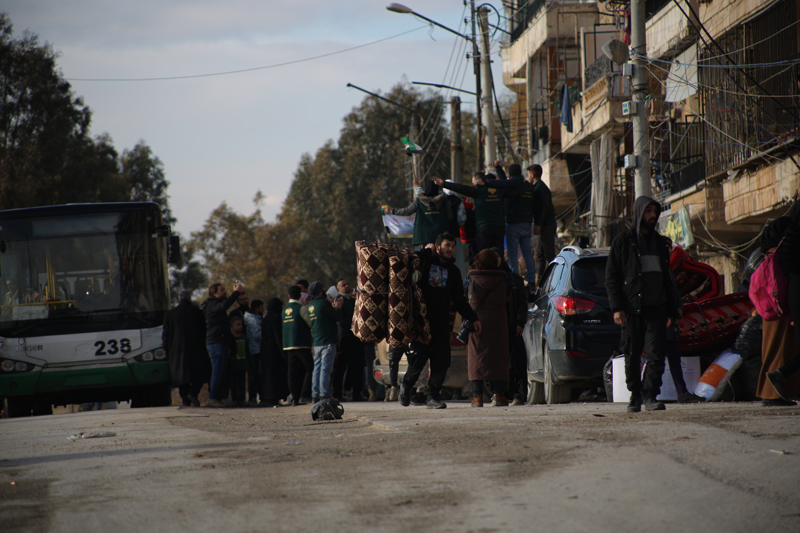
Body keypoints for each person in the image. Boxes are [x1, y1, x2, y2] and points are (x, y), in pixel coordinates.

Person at [605, 196, 678, 413]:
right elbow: (611, 278)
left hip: (657, 308)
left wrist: (671, 309)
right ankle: (635, 395)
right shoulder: (622, 242)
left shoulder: (661, 243)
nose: (653, 215)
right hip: (631, 309)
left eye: (655, 211)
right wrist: (617, 308)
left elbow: (667, 279)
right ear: (639, 213)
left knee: (657, 354)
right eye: (648, 211)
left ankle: (650, 395)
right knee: (632, 353)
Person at [399, 232, 481, 409]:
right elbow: (410, 262)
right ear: (437, 247)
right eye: (447, 245)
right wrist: (426, 251)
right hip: (422, 322)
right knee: (419, 359)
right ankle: (406, 385)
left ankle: (433, 397)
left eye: (453, 246)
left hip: (442, 323)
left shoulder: (454, 271)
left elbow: (459, 300)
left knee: (441, 361)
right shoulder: (426, 261)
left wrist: (473, 318)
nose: (450, 249)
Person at [760, 211, 800, 405]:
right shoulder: (779, 255)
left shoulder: (766, 258)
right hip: (780, 304)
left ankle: (777, 391)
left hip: (774, 305)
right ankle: (773, 392)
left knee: (776, 348)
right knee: (781, 348)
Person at [434, 175, 530, 253]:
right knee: (498, 255)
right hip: (499, 227)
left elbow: (461, 188)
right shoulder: (500, 190)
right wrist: (527, 183)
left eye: (474, 182)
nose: (474, 184)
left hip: (483, 227)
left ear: (480, 181)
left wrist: (444, 184)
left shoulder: (478, 190)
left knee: (484, 255)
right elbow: (517, 193)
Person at [465, 249, 510, 407]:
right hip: (499, 321)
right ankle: (499, 395)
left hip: (477, 322)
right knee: (499, 356)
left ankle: (477, 397)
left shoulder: (471, 278)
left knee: (476, 357)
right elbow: (508, 297)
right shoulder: (504, 279)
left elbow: (465, 296)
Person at [492, 248, 528, 406]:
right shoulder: (484, 279)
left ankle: (518, 395)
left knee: (516, 363)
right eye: (491, 257)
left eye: (497, 256)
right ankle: (500, 394)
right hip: (494, 330)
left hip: (512, 328)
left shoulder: (514, 279)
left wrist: (520, 322)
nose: (495, 259)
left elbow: (521, 303)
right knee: (498, 364)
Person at [162, 290, 210, 407]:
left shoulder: (170, 314)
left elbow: (165, 334)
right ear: (189, 299)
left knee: (181, 376)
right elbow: (204, 329)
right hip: (197, 348)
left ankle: (185, 401)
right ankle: (193, 393)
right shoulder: (198, 311)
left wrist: (166, 350)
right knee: (199, 373)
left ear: (179, 300)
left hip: (177, 350)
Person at [201, 282, 243, 407]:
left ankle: (218, 398)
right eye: (222, 290)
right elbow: (225, 305)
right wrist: (236, 292)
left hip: (220, 343)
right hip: (216, 343)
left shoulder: (214, 304)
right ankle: (213, 398)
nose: (225, 292)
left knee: (221, 371)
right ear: (214, 293)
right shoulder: (212, 303)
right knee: (217, 371)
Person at [494, 160, 536, 286]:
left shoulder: (510, 185)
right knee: (527, 253)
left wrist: (498, 168)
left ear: (510, 175)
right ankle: (532, 280)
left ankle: (515, 280)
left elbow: (503, 182)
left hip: (513, 223)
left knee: (512, 254)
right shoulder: (527, 186)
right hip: (527, 223)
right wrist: (499, 168)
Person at [383, 180, 457, 251]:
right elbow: (450, 216)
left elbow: (407, 211)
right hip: (441, 239)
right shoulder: (444, 201)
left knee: (423, 258)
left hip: (422, 238)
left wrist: (392, 211)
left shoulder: (419, 201)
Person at [307, 281, 344, 403]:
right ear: (319, 291)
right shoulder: (324, 303)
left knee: (317, 369)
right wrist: (338, 308)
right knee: (326, 369)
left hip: (317, 341)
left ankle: (315, 395)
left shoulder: (311, 304)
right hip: (327, 340)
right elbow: (337, 317)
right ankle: (324, 394)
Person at [282, 284, 314, 406]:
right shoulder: (301, 308)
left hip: (289, 345)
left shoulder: (284, 310)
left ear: (289, 296)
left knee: (293, 372)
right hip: (302, 344)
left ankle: (294, 398)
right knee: (310, 367)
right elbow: (311, 323)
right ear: (300, 295)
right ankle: (305, 395)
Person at [528, 164, 557, 286]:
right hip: (544, 225)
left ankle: (555, 281)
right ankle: (539, 282)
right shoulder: (536, 187)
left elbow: (546, 207)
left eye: (528, 174)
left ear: (532, 175)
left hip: (547, 225)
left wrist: (539, 225)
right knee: (539, 254)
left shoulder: (541, 188)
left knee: (549, 254)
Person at [260, 297, 290, 407]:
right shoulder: (276, 318)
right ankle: (273, 396)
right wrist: (283, 353)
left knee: (268, 375)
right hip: (274, 350)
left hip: (265, 349)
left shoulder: (266, 318)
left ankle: (268, 397)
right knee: (275, 375)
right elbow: (278, 336)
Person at [228, 315, 253, 407]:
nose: (240, 326)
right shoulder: (231, 338)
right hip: (234, 365)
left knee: (242, 383)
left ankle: (242, 399)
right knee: (234, 383)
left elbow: (248, 352)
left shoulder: (244, 337)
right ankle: (234, 400)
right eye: (237, 324)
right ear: (232, 326)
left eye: (241, 324)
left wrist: (251, 363)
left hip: (242, 365)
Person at [244, 299, 264, 407]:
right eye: (261, 307)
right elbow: (257, 335)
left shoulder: (251, 317)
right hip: (256, 350)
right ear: (256, 308)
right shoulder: (253, 319)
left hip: (253, 350)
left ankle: (256, 397)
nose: (263, 309)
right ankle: (253, 397)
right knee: (256, 375)